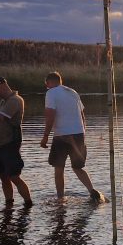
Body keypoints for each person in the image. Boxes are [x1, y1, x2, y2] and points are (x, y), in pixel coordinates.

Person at [39, 71, 106, 203]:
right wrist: (83, 133)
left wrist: (45, 136)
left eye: (46, 85)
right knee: (77, 167)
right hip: (78, 134)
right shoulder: (72, 92)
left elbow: (50, 115)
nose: (47, 87)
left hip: (62, 136)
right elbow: (82, 116)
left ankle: (60, 199)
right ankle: (93, 192)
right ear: (61, 81)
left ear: (48, 83)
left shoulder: (51, 93)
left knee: (59, 169)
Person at [0, 76, 33, 208]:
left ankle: (29, 204)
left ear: (0, 84)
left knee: (14, 176)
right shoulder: (3, 101)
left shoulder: (15, 100)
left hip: (10, 144)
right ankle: (9, 205)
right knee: (3, 177)